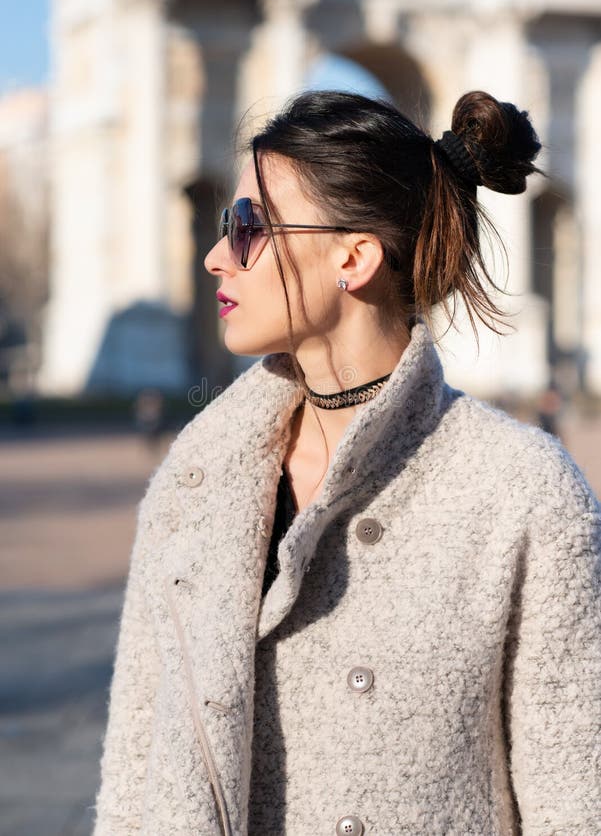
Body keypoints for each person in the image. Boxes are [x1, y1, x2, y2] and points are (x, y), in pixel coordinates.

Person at [91, 90, 601, 836]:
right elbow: (133, 775)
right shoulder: (192, 481)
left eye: (244, 228)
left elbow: (574, 798)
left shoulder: (523, 492)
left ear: (353, 257)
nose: (213, 256)